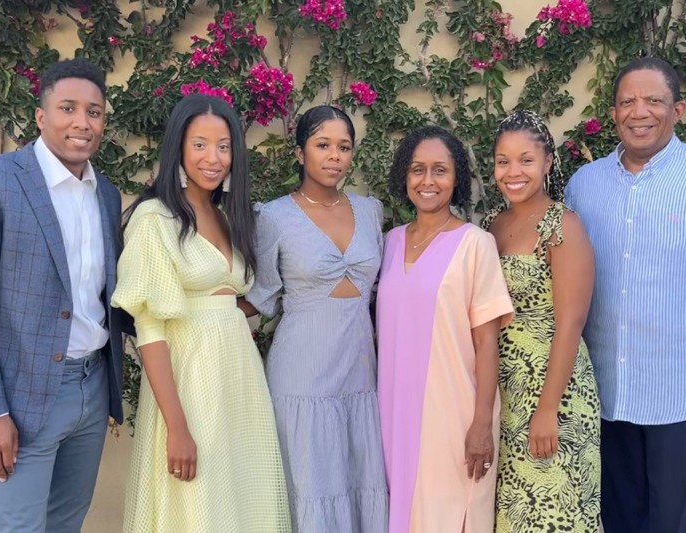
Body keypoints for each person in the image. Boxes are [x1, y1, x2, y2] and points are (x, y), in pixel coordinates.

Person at [0, 59, 126, 532]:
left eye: (94, 112)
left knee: (66, 523)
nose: (81, 122)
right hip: (21, 400)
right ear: (42, 115)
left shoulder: (105, 193)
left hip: (92, 388)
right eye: (68, 108)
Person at [565, 57, 686, 533]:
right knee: (619, 523)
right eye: (627, 101)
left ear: (678, 109)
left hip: (684, 397)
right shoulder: (585, 186)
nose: (638, 111)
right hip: (608, 398)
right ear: (614, 110)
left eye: (654, 100)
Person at [111, 94, 290, 532]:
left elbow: (232, 303)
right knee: (197, 506)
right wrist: (177, 426)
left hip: (240, 382)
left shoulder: (230, 216)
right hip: (188, 384)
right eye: (200, 145)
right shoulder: (156, 218)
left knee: (243, 501)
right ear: (178, 148)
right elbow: (149, 327)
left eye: (224, 146)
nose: (214, 158)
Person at [244, 105, 388, 532]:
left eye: (344, 147)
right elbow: (262, 296)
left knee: (359, 477)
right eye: (322, 145)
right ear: (299, 151)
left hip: (360, 373)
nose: (334, 156)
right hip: (302, 374)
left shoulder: (370, 211)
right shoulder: (273, 216)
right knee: (311, 484)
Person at [376, 126, 514, 533]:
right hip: (395, 412)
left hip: (453, 415)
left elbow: (488, 342)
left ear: (456, 180)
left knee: (451, 515)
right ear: (405, 176)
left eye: (440, 170)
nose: (428, 181)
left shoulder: (476, 245)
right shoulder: (390, 243)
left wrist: (481, 425)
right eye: (418, 169)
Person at [482, 110, 600, 531]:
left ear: (548, 162)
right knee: (516, 515)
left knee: (556, 513)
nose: (513, 172)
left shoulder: (562, 226)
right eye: (503, 161)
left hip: (555, 393)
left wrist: (547, 409)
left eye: (525, 160)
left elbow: (571, 322)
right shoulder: (491, 225)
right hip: (506, 392)